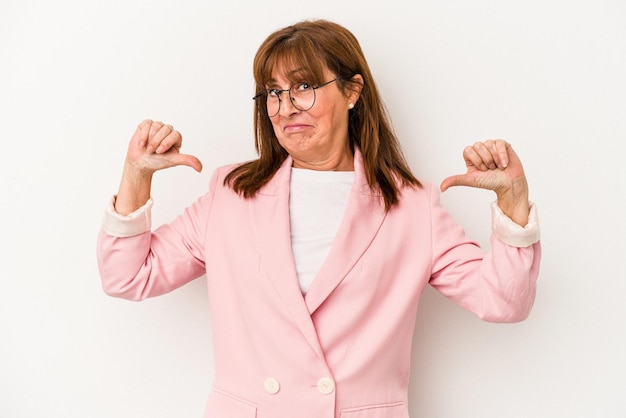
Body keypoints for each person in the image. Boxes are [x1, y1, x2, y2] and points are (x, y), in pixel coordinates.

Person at [96, 19, 541, 418]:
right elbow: (128, 276)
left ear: (352, 91)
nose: (286, 107)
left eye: (304, 86)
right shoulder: (231, 194)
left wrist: (513, 200)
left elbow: (503, 302)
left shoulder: (411, 205)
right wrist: (136, 176)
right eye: (273, 92)